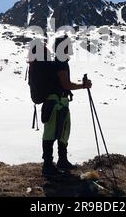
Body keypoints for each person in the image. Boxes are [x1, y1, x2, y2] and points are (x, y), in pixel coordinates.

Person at [41, 35, 92, 176]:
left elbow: (64, 84)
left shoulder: (60, 61)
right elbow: (65, 84)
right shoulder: (61, 62)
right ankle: (48, 165)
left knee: (63, 132)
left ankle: (61, 161)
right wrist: (83, 85)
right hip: (55, 103)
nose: (70, 48)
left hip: (58, 102)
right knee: (52, 133)